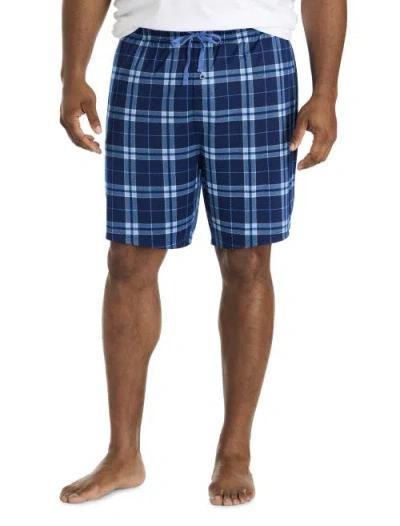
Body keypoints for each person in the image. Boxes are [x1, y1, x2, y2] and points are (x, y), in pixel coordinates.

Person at [59, 0, 346, 506]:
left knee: (248, 261)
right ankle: (123, 454)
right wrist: (72, 73)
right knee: (128, 260)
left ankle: (235, 452)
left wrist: (326, 92)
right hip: (147, 56)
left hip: (256, 57)